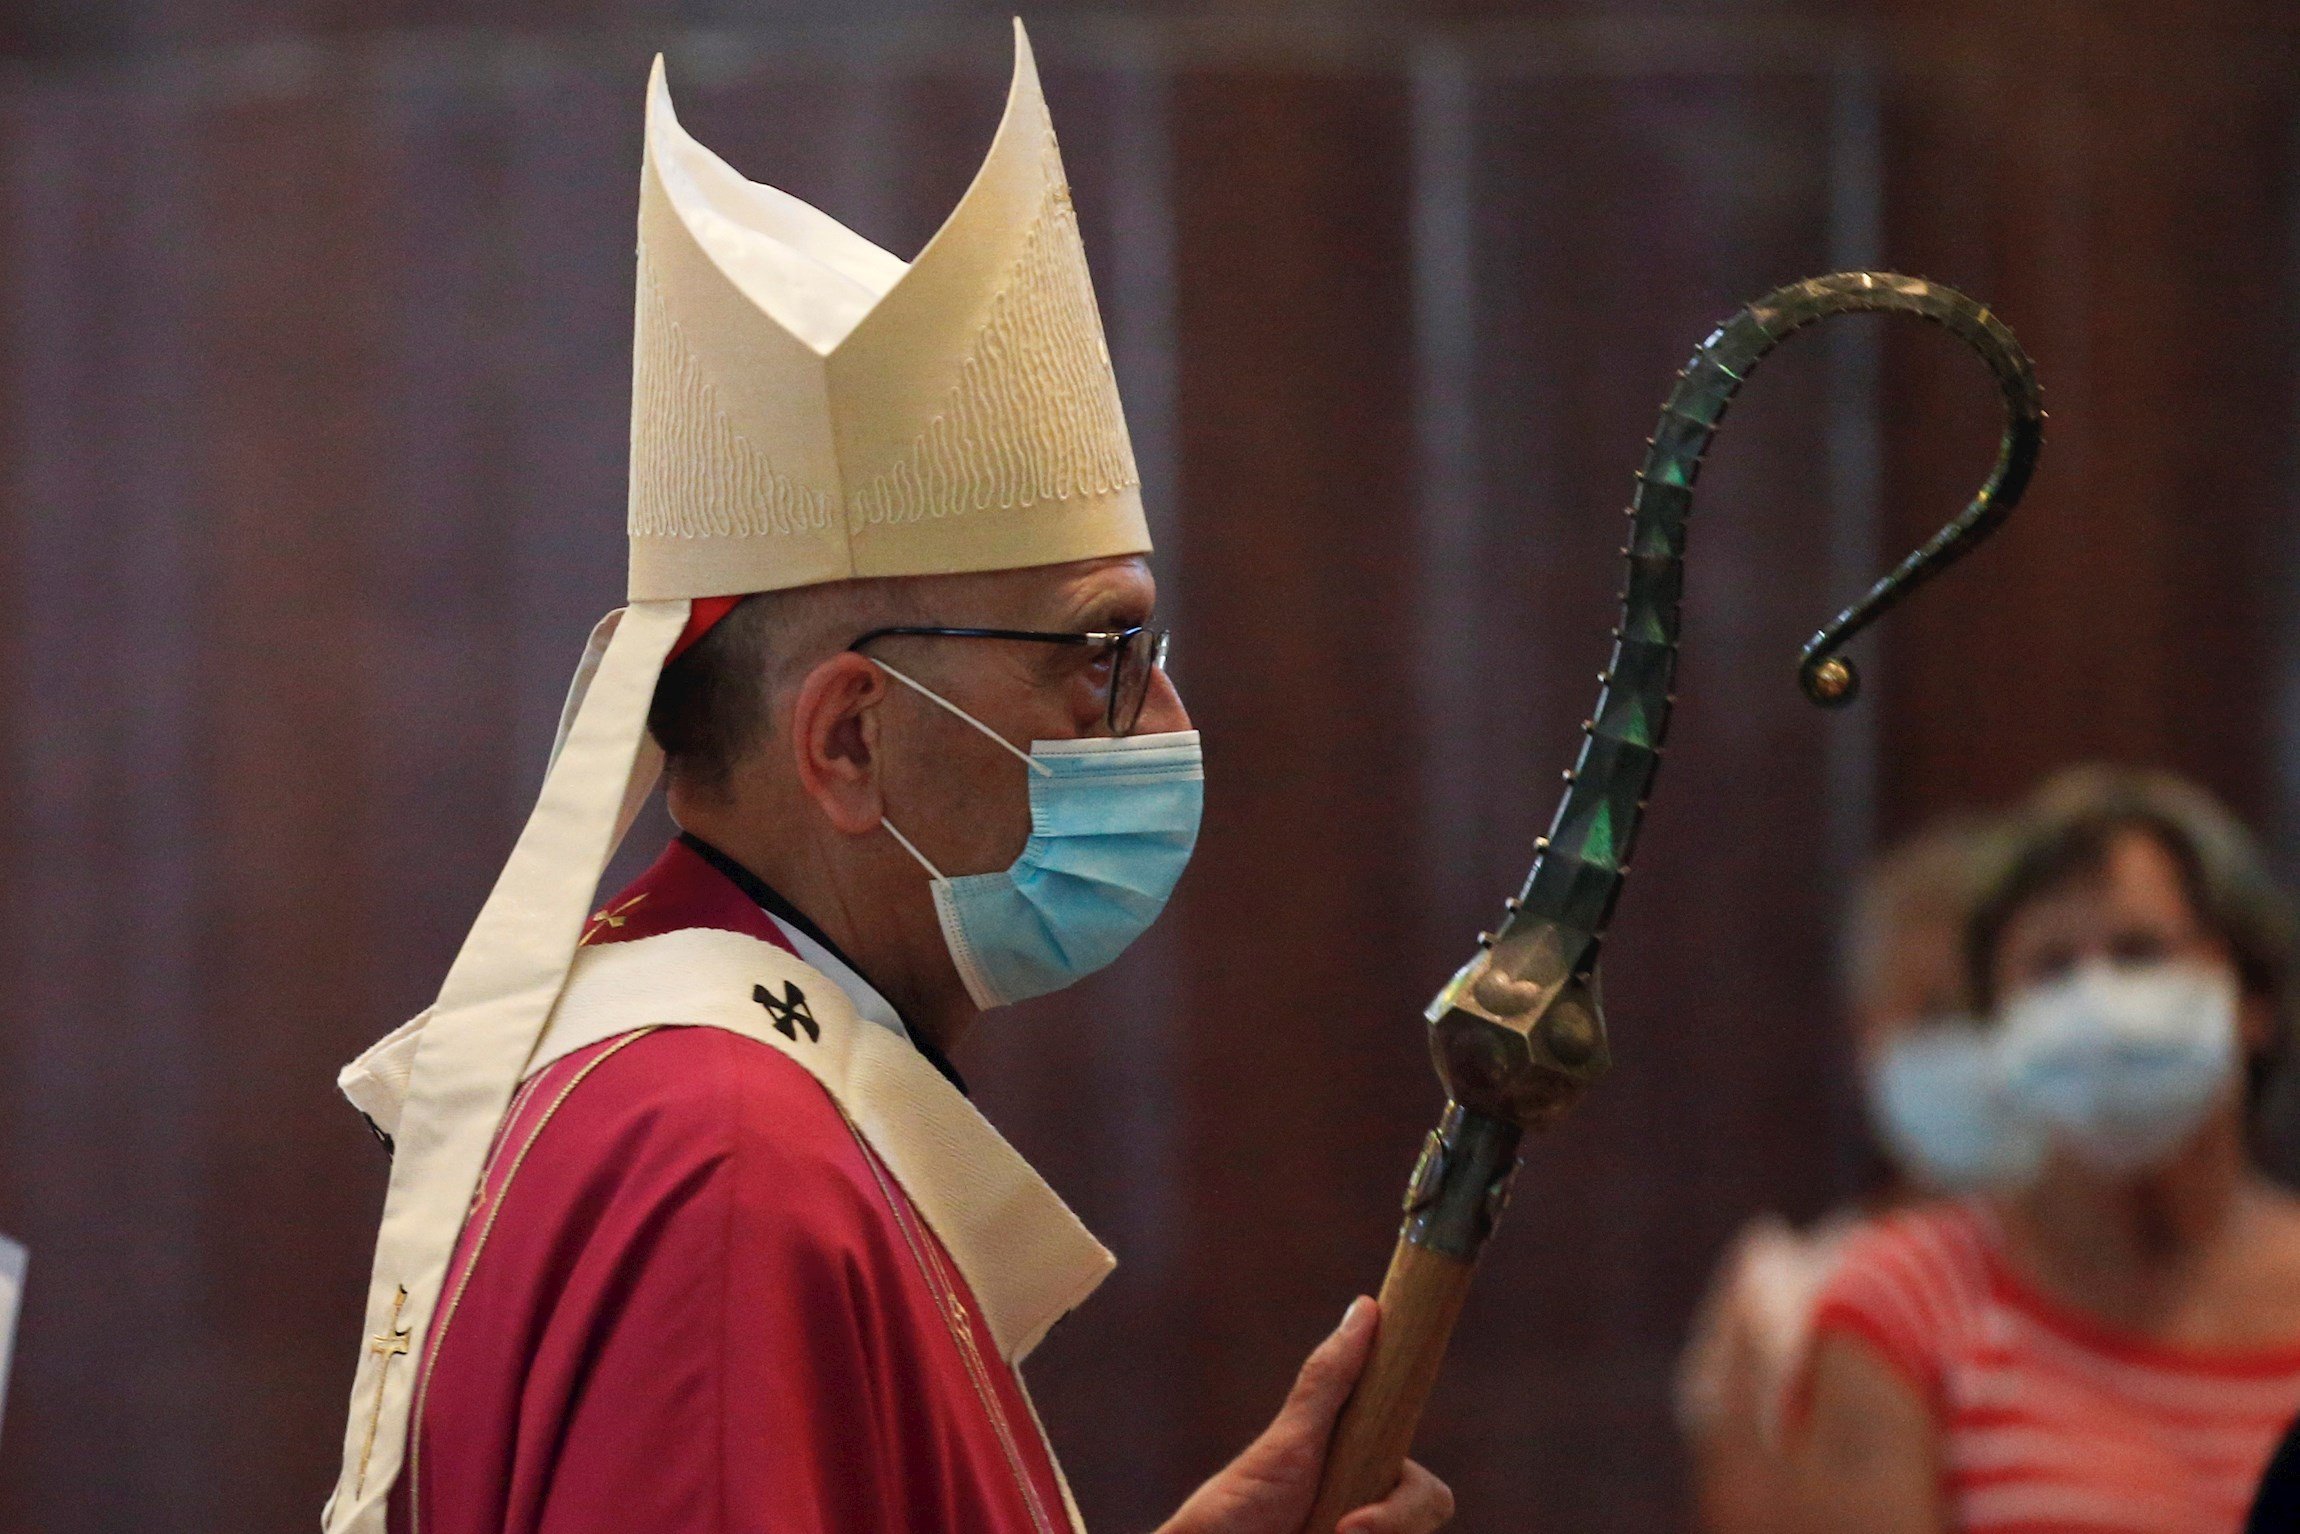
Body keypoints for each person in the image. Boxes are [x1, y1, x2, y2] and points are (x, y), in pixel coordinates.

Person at [317, 25, 1452, 1534]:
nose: (1163, 713)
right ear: (849, 737)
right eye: (1102, 650)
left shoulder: (676, 1080)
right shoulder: (726, 1152)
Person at [1794, 766, 2300, 1534]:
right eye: (2051, 969)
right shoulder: (1903, 1307)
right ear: (1998, 1022)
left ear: (2251, 995)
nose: (2095, 1003)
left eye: (2139, 953)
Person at [1679, 817, 2005, 1534]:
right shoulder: (1779, 1300)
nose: (1975, 1045)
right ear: (1867, 1035)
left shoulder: (2139, 1286)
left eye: (1994, 1008)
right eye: (1934, 1012)